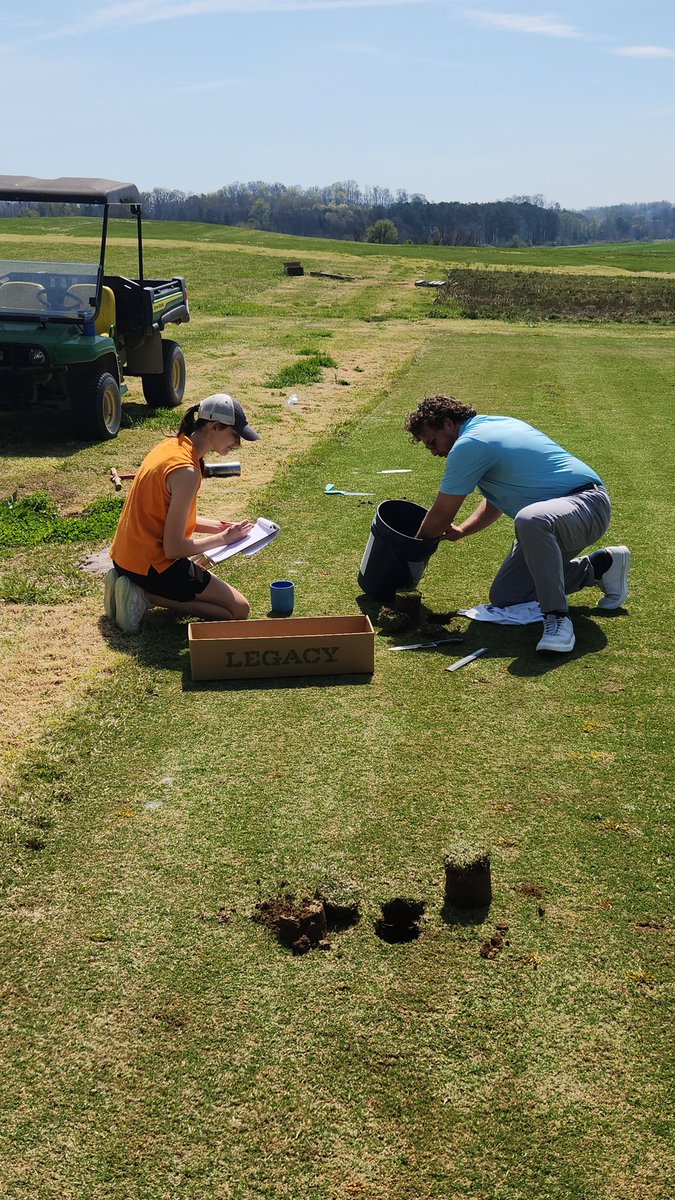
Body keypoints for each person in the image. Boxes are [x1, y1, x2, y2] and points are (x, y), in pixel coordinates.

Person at [405, 395, 630, 653]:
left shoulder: (470, 443)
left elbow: (442, 513)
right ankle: (600, 567)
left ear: (448, 423)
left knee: (529, 519)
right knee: (508, 595)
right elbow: (498, 500)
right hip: (565, 515)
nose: (434, 452)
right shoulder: (490, 428)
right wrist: (464, 530)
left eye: (432, 442)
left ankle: (557, 617)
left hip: (586, 505)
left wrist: (411, 554)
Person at [105, 393, 260, 634]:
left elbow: (164, 517)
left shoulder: (172, 446)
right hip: (150, 568)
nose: (237, 443)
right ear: (214, 427)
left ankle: (128, 583)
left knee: (204, 573)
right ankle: (145, 595)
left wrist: (220, 527)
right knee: (239, 610)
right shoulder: (187, 471)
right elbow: (173, 549)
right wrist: (224, 539)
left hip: (124, 559)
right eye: (234, 435)